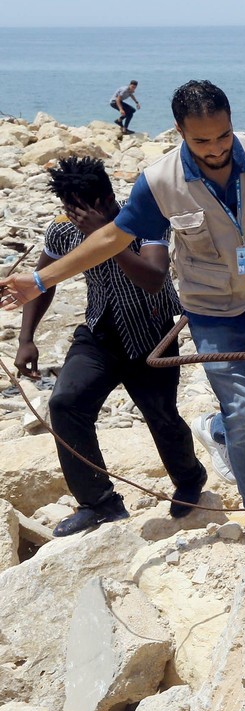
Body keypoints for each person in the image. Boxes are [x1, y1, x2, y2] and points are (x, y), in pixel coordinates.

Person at [2, 80, 245, 540]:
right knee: (242, 411)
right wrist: (41, 280)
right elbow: (112, 238)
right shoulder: (159, 182)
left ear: (232, 122)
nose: (215, 148)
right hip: (211, 314)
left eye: (222, 136)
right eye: (201, 140)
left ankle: (217, 431)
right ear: (179, 132)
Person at [15, 157, 207, 536]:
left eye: (80, 208)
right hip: (99, 333)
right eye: (67, 207)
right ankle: (99, 502)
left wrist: (105, 235)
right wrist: (26, 338)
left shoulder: (146, 221)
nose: (73, 216)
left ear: (104, 199)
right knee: (65, 404)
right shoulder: (62, 230)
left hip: (152, 334)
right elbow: (43, 282)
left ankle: (189, 479)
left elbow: (153, 278)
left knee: (161, 415)